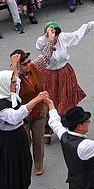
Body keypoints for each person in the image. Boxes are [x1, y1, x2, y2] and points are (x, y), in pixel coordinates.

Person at [13, 31, 57, 177]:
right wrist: (14, 68)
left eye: (28, 62)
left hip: (39, 112)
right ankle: (25, 163)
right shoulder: (13, 78)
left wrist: (50, 38)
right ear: (18, 67)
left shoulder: (34, 66)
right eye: (24, 64)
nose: (28, 65)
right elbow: (13, 89)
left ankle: (38, 164)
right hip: (23, 116)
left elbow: (45, 56)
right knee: (25, 143)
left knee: (38, 141)